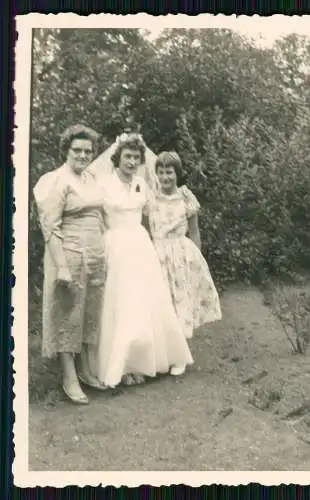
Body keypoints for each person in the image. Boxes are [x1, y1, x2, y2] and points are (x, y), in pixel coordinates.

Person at [95, 133, 193, 388]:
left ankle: (147, 361)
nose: (131, 161)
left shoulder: (141, 183)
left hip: (140, 245)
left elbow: (162, 204)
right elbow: (96, 218)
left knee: (145, 302)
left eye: (136, 157)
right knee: (120, 303)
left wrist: (183, 196)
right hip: (115, 245)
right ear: (117, 158)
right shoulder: (104, 184)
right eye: (127, 156)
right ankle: (123, 365)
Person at [33, 124, 107, 405]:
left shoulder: (91, 178)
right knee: (69, 312)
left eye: (88, 151)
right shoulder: (54, 180)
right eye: (77, 150)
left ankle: (86, 369)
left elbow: (100, 216)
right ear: (66, 150)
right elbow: (50, 227)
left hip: (94, 254)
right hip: (69, 253)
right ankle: (69, 376)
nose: (83, 155)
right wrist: (61, 266)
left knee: (90, 310)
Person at [146, 151, 222, 372]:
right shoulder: (150, 198)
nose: (165, 177)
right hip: (157, 253)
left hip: (181, 253)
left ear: (177, 173)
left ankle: (179, 355)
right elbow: (144, 227)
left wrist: (196, 259)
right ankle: (163, 352)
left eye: (169, 172)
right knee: (162, 303)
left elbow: (195, 232)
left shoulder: (187, 198)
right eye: (160, 172)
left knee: (180, 301)